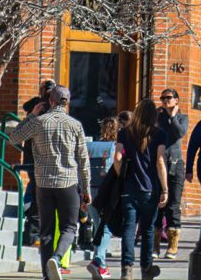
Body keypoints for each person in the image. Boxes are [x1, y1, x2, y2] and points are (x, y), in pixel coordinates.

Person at [8, 85, 91, 280]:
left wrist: (31, 116)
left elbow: (13, 138)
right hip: (67, 183)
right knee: (69, 227)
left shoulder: (39, 122)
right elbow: (83, 160)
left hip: (43, 184)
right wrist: (86, 189)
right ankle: (57, 257)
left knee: (46, 232)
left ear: (50, 101)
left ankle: (47, 275)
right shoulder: (75, 125)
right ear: (67, 102)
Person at [114, 100, 168, 280]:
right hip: (150, 188)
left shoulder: (124, 132)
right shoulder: (159, 134)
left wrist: (120, 173)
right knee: (147, 230)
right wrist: (165, 189)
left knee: (129, 228)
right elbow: (160, 161)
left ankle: (127, 269)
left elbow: (118, 157)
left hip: (129, 187)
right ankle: (146, 268)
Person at [155, 89, 189, 260]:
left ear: (176, 100)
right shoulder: (158, 117)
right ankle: (155, 245)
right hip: (158, 162)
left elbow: (179, 133)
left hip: (175, 164)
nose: (165, 101)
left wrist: (173, 116)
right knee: (157, 203)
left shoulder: (182, 118)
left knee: (173, 205)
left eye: (168, 98)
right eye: (162, 98)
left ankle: (172, 245)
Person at [21, 80, 57, 239]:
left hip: (33, 155)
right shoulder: (51, 109)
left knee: (35, 188)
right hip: (44, 157)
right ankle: (33, 225)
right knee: (38, 190)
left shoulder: (35, 106)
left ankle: (30, 222)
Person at [86, 117, 118, 279]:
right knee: (106, 228)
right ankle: (98, 260)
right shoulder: (116, 147)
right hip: (106, 191)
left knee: (97, 226)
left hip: (90, 190)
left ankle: (101, 265)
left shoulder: (89, 146)